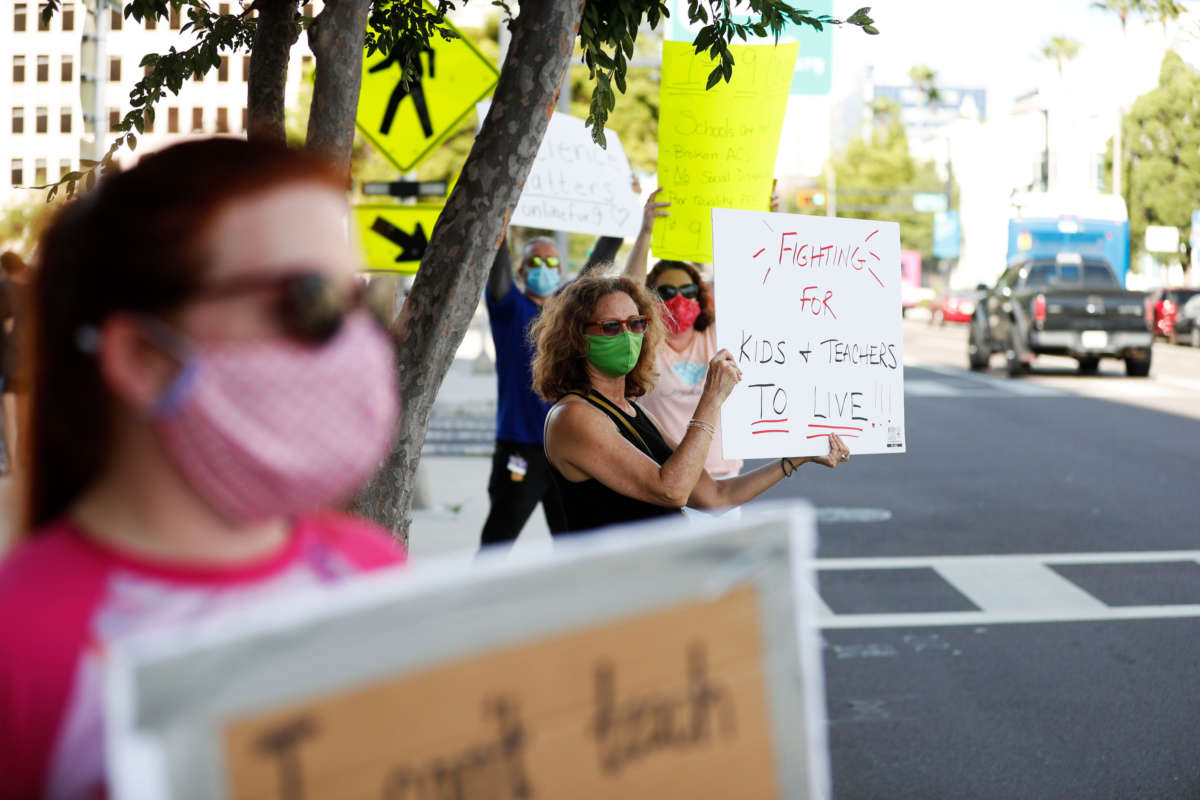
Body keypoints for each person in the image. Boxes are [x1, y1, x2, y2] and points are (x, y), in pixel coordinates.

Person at [0, 139, 407, 797]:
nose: (356, 345)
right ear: (142, 356)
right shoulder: (20, 640)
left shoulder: (372, 570)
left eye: (363, 302)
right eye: (310, 302)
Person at [532, 275, 850, 534]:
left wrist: (797, 456)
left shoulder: (631, 409)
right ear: (577, 338)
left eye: (636, 324)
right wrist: (711, 399)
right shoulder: (574, 416)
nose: (627, 335)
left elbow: (714, 497)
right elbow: (671, 490)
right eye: (611, 327)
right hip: (619, 597)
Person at [480, 233, 620, 549]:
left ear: (560, 271)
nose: (544, 267)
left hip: (567, 448)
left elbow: (598, 264)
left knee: (573, 544)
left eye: (551, 262)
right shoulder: (508, 306)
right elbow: (497, 256)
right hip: (520, 449)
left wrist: (621, 216)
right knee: (497, 542)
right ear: (520, 272)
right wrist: (500, 226)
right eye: (535, 261)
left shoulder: (569, 308)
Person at [0, 250, 31, 474]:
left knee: (9, 412)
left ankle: (12, 465)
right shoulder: (32, 290)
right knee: (25, 412)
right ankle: (26, 460)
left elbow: (7, 325)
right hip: (29, 357)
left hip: (9, 356)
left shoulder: (4, 288)